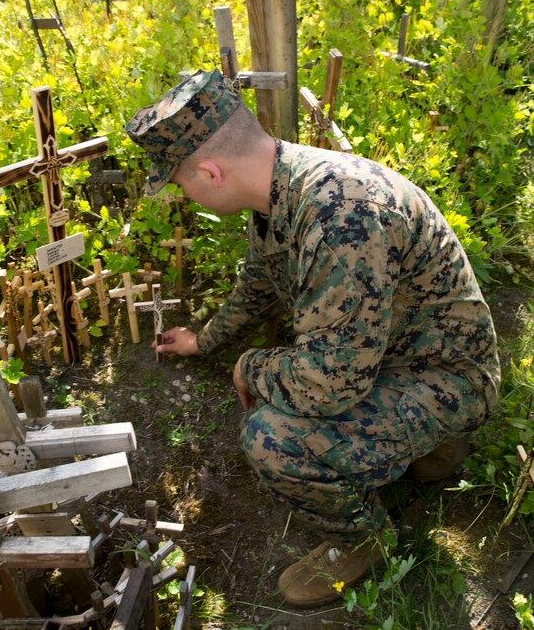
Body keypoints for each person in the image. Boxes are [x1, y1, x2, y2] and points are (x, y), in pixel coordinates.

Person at [125, 69, 500, 609]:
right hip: (400, 351)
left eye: (178, 181)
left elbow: (329, 386)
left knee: (270, 438)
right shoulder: (284, 184)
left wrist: (251, 366)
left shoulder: (340, 212)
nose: (182, 194)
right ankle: (427, 447)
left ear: (210, 172)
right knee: (307, 374)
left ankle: (365, 541)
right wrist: (204, 341)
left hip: (445, 376)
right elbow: (258, 283)